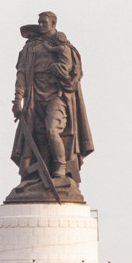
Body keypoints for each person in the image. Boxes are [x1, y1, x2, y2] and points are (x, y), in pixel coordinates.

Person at [10, 11, 93, 194]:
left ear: (54, 23)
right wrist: (18, 99)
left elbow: (71, 72)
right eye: (39, 22)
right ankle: (40, 175)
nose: (40, 25)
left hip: (57, 95)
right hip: (34, 97)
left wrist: (59, 69)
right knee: (39, 135)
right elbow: (22, 74)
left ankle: (60, 169)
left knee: (52, 129)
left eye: (44, 22)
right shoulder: (30, 47)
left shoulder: (62, 45)